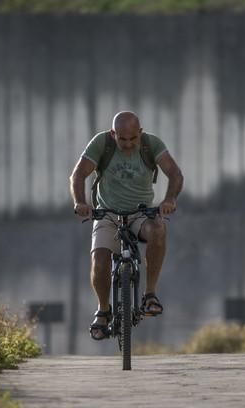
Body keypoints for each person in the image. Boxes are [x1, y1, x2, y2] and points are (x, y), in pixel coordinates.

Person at [69, 111, 184, 340]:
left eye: (133, 139)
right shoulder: (102, 144)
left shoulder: (151, 144)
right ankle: (103, 310)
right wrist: (81, 202)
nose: (128, 144)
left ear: (140, 133)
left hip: (140, 213)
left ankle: (149, 294)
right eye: (122, 139)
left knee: (159, 229)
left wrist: (170, 199)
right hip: (107, 213)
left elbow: (175, 174)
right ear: (113, 134)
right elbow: (78, 175)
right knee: (100, 260)